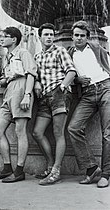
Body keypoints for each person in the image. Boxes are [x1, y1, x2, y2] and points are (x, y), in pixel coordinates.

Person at [0, 26, 37, 183]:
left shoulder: (23, 53)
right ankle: (7, 167)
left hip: (21, 89)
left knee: (20, 130)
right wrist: (2, 81)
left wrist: (27, 95)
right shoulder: (6, 57)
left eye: (5, 36)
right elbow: (9, 75)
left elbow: (31, 74)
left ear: (14, 39)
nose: (1, 39)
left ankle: (19, 170)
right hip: (9, 91)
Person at [67, 20, 110, 188]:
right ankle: (91, 168)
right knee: (74, 128)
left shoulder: (97, 48)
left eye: (82, 36)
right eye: (76, 35)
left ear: (87, 37)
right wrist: (77, 79)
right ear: (72, 36)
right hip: (87, 94)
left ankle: (106, 173)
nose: (79, 38)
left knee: (107, 133)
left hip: (106, 87)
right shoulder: (69, 54)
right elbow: (69, 74)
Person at [33, 23, 76, 185]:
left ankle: (56, 171)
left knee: (58, 133)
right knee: (37, 132)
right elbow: (35, 74)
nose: (49, 37)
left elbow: (71, 71)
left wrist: (62, 87)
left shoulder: (60, 51)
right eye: (46, 34)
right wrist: (37, 82)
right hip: (44, 97)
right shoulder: (37, 56)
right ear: (40, 37)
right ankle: (50, 164)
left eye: (51, 34)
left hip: (59, 94)